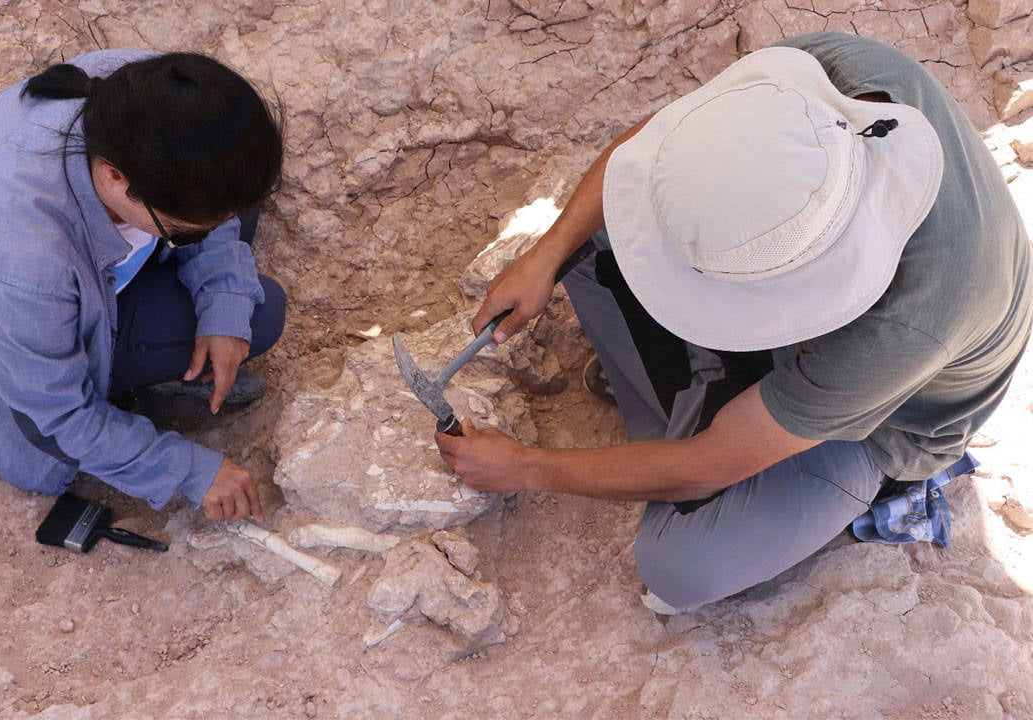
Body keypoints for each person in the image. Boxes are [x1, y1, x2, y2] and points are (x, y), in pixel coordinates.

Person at [436, 32, 1031, 613]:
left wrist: (527, 469)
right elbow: (659, 147)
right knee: (598, 234)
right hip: (852, 334)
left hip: (884, 421)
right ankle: (705, 392)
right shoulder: (825, 74)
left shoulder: (904, 322)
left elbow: (708, 466)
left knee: (680, 568)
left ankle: (724, 410)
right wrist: (545, 255)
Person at [0, 50, 286, 522]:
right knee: (265, 311)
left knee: (232, 202)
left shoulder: (145, 97)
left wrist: (223, 303)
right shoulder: (22, 264)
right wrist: (189, 471)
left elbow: (216, 220)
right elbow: (54, 420)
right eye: (186, 230)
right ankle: (137, 392)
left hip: (94, 266)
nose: (212, 230)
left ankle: (163, 320)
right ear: (116, 176)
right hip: (37, 349)